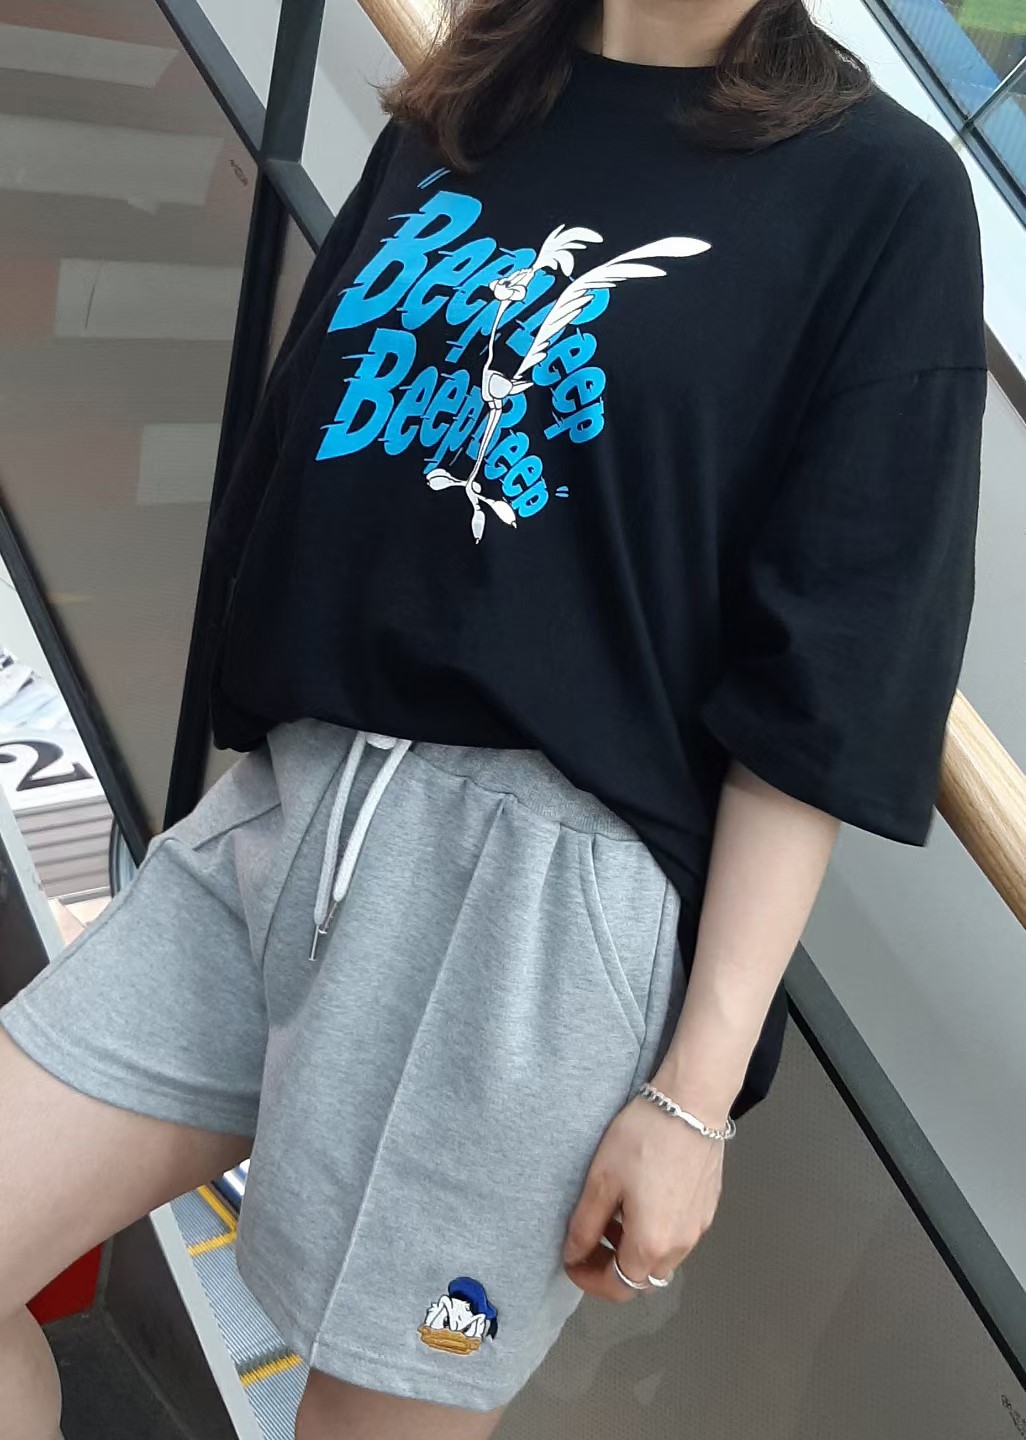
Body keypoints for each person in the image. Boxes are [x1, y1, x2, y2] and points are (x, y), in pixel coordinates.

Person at [0, 0, 987, 1435]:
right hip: (290, 816)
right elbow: (302, 454)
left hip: (538, 913)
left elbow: (831, 670)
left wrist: (693, 1099)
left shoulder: (878, 189)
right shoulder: (470, 97)